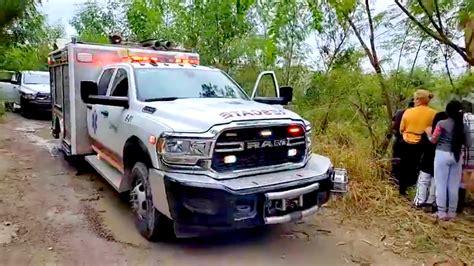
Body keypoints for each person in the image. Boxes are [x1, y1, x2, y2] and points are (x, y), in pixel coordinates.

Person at [426, 100, 472, 220]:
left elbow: (433, 140)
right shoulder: (464, 126)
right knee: (453, 185)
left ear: (447, 111)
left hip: (442, 155)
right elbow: (468, 144)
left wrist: (428, 133)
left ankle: (441, 212)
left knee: (441, 184)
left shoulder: (441, 123)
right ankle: (452, 213)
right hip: (457, 156)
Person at [399, 90, 437, 195]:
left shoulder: (408, 112)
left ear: (418, 99)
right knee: (419, 168)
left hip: (406, 142)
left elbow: (401, 129)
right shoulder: (434, 113)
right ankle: (417, 191)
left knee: (404, 166)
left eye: (415, 98)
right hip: (423, 145)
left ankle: (402, 189)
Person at [413, 111, 448, 210]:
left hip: (427, 160)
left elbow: (421, 147)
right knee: (435, 182)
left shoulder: (429, 131)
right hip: (441, 161)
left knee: (423, 180)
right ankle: (431, 202)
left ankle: (419, 201)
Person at [391, 99, 414, 183]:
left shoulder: (399, 112)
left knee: (396, 158)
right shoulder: (413, 115)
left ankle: (394, 178)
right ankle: (403, 180)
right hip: (408, 141)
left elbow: (393, 122)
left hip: (397, 139)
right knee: (406, 161)